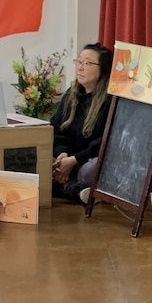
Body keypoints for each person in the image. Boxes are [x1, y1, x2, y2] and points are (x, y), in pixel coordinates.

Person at [51, 42, 113, 204]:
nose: (80, 67)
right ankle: (78, 192)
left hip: (87, 161)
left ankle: (66, 186)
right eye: (78, 62)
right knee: (42, 161)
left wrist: (74, 160)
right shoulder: (71, 95)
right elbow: (56, 129)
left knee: (88, 171)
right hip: (69, 159)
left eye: (87, 63)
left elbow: (105, 141)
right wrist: (62, 154)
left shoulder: (110, 101)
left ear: (103, 69)